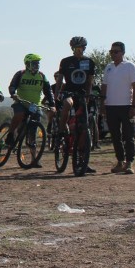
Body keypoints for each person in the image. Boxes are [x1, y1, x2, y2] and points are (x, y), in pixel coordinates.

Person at [55, 36, 97, 174]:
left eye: (81, 48)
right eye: (76, 48)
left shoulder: (89, 62)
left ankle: (83, 160)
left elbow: (89, 81)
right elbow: (60, 80)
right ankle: (61, 131)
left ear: (84, 48)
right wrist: (56, 94)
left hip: (82, 94)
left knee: (84, 128)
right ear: (72, 48)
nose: (79, 50)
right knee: (68, 103)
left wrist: (88, 96)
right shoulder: (66, 61)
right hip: (68, 92)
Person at [6, 53, 55, 169]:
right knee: (19, 114)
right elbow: (12, 86)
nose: (36, 65)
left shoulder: (42, 76)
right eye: (34, 63)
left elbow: (48, 91)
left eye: (38, 63)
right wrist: (13, 93)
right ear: (27, 64)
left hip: (35, 106)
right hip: (21, 102)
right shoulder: (20, 74)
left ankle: (35, 159)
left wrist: (53, 105)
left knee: (33, 133)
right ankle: (11, 133)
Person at [101, 42, 135, 174]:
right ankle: (120, 161)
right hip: (111, 106)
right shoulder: (108, 67)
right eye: (111, 52)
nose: (113, 54)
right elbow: (104, 86)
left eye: (116, 51)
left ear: (123, 53)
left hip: (126, 106)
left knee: (128, 136)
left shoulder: (130, 66)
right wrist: (102, 104)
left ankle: (129, 162)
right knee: (115, 136)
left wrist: (133, 105)